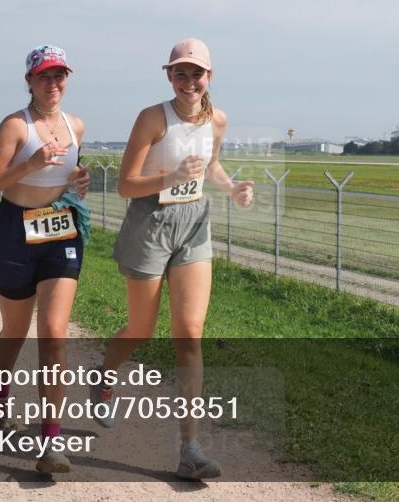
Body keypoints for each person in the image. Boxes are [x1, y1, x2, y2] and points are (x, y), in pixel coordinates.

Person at [89, 38, 253, 480]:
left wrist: (232, 189)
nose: (188, 81)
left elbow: (211, 166)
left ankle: (189, 449)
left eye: (196, 73)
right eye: (180, 72)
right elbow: (125, 185)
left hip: (194, 224)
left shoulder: (217, 120)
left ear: (209, 77)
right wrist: (171, 176)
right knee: (141, 328)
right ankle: (104, 374)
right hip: (150, 222)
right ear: (169, 76)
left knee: (190, 334)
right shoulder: (152, 118)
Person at [0, 45, 91, 475]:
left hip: (60, 230)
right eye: (44, 76)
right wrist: (29, 165)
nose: (53, 83)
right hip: (13, 232)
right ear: (29, 80)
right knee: (15, 330)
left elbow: (67, 176)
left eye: (60, 75)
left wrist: (78, 180)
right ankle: (0, 392)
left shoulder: (76, 125)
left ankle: (51, 441)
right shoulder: (15, 126)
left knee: (54, 333)